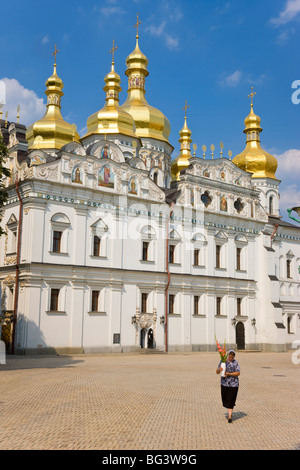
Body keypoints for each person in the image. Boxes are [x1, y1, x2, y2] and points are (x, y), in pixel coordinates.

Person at [216, 350, 240, 423]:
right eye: (230, 357)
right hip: (224, 383)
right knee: (225, 399)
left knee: (231, 399)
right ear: (228, 355)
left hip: (234, 384)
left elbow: (238, 373)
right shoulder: (223, 361)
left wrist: (229, 374)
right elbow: (217, 371)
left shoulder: (235, 363)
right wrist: (220, 369)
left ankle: (230, 416)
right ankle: (229, 413)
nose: (231, 358)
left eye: (232, 357)